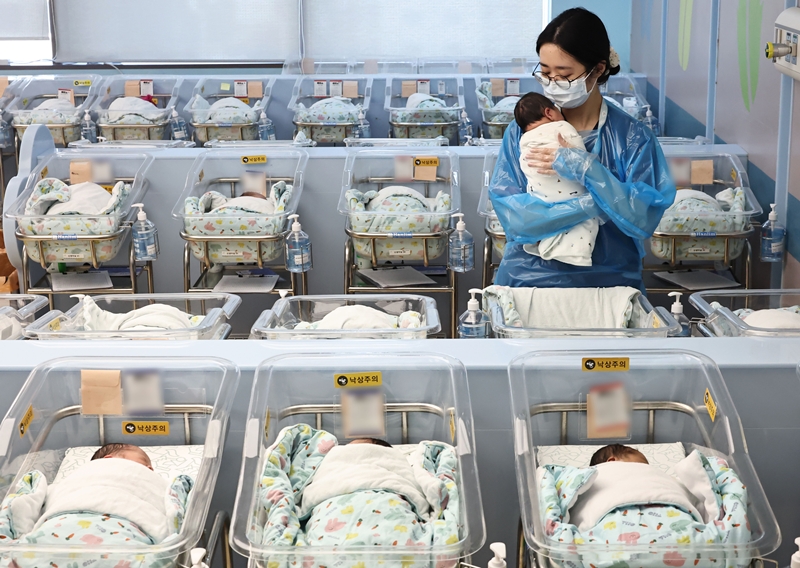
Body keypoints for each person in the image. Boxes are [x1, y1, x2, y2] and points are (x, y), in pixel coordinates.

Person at [489, 7, 676, 291]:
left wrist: (590, 170)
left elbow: (643, 218)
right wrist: (599, 202)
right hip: (528, 280)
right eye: (545, 72)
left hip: (609, 284)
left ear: (598, 69)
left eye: (564, 74)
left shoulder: (632, 139)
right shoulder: (523, 132)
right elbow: (517, 220)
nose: (552, 84)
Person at [515, 92, 598, 267]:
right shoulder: (562, 127)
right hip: (569, 193)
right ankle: (574, 253)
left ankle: (543, 240)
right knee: (585, 219)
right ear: (549, 113)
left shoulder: (524, 139)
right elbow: (581, 158)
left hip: (540, 196)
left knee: (547, 212)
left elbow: (525, 163)